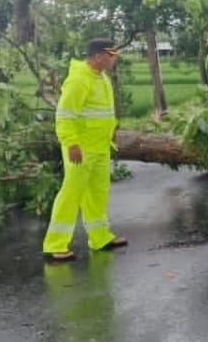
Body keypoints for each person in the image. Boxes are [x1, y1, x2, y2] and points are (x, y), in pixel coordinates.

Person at [42, 38, 127, 262]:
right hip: (81, 148)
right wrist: (71, 144)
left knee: (98, 193)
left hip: (100, 146)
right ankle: (55, 244)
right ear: (98, 56)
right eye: (110, 56)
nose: (113, 60)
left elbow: (102, 111)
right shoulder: (78, 80)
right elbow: (64, 115)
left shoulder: (102, 78)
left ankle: (100, 238)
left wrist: (111, 130)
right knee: (71, 194)